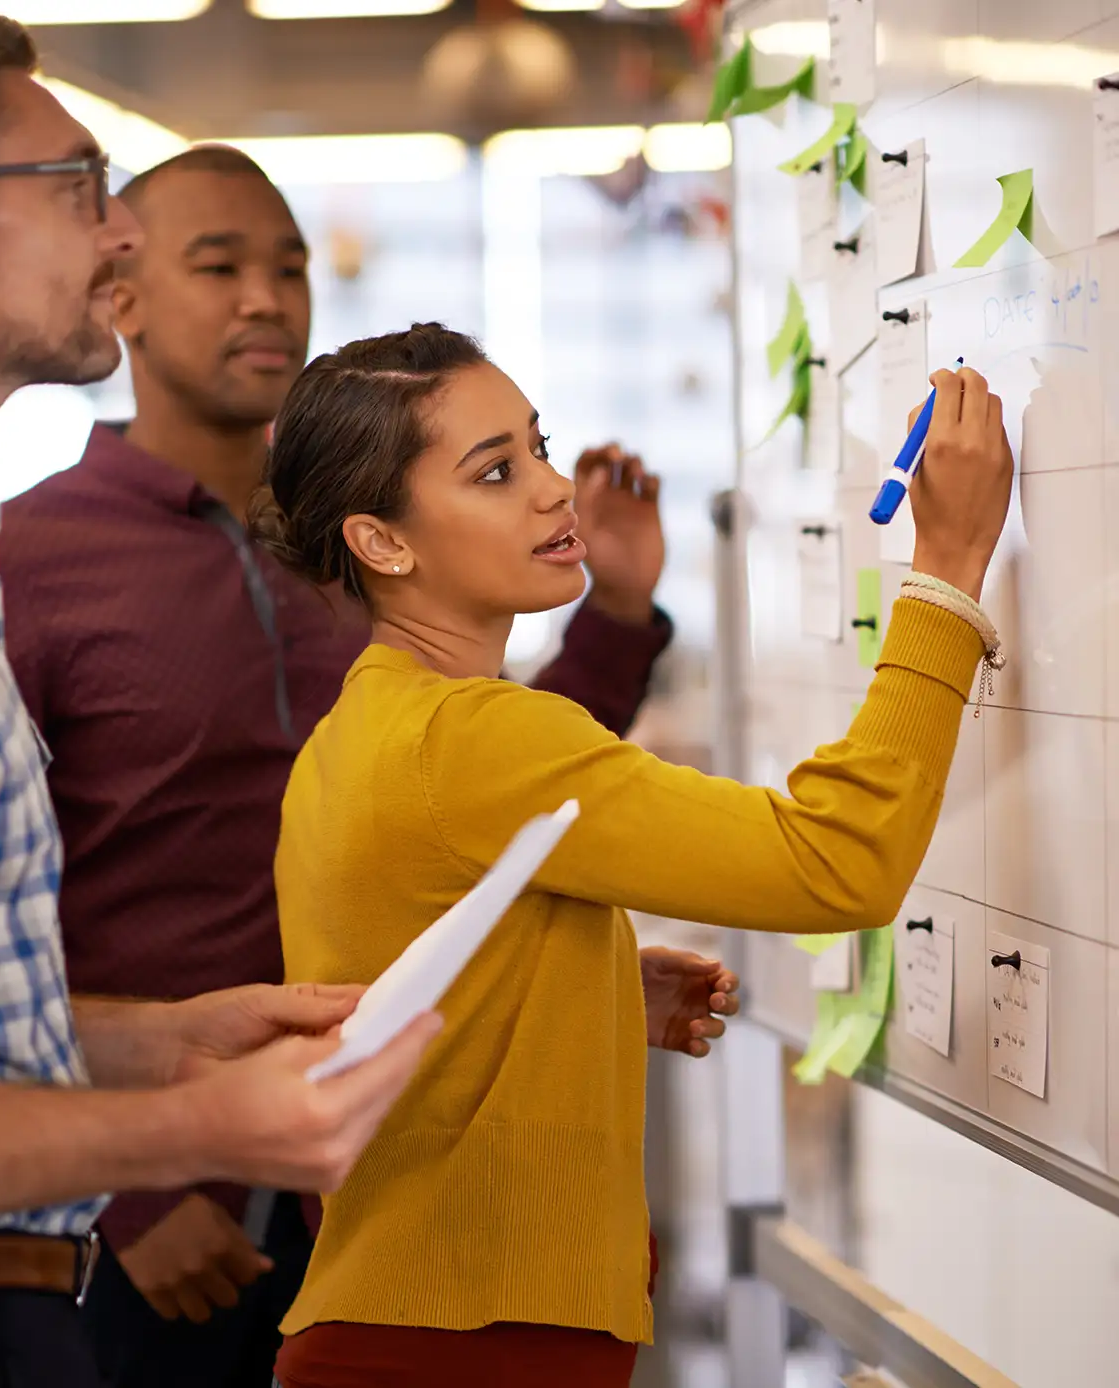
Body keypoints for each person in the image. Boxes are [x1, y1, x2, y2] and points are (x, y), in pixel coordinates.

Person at [0, 140, 722, 1385]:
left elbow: (508, 793)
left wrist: (615, 615)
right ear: (119, 297)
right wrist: (125, 1183)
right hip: (162, 1206)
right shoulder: (32, 553)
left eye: (287, 264)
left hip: (392, 1191)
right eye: (217, 265)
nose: (267, 296)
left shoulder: (366, 544)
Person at [248, 322, 1014, 1388]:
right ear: (382, 542)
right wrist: (948, 570)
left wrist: (582, 985)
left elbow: (400, 989)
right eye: (497, 470)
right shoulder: (479, 736)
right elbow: (839, 860)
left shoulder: (366, 727)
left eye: (539, 445)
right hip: (464, 1348)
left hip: (411, 1327)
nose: (556, 489)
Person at [0, 11, 440, 1386]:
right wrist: (177, 1149)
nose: (112, 240)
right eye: (81, 190)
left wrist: (167, 1046)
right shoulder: (14, 552)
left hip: (46, 1282)